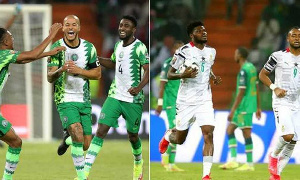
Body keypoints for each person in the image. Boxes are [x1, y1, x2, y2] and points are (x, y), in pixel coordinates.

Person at [83, 15, 149, 180]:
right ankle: (83, 173)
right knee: (100, 131)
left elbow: (148, 70)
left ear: (133, 30)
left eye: (126, 26)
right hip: (114, 95)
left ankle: (138, 162)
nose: (122, 28)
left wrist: (139, 88)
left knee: (133, 136)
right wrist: (96, 59)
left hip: (133, 99)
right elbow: (114, 64)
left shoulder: (140, 47)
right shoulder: (118, 45)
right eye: (120, 25)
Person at [158, 20, 222, 180]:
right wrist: (183, 75)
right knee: (180, 139)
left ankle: (206, 175)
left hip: (204, 100)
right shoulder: (183, 51)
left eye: (205, 30)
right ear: (192, 35)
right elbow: (169, 74)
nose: (204, 33)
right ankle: (168, 136)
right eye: (200, 31)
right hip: (186, 101)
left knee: (208, 134)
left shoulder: (211, 52)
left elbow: (207, 67)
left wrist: (213, 77)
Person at [0, 23, 63, 180]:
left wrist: (47, 53)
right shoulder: (3, 55)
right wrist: (51, 36)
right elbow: (31, 55)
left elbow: (24, 59)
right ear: (5, 42)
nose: (13, 38)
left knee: (15, 142)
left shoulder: (5, 56)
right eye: (11, 37)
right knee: (15, 142)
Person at [47, 15, 101, 180]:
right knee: (77, 131)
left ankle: (68, 139)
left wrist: (80, 71)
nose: (70, 28)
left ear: (79, 28)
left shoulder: (89, 48)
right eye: (67, 25)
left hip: (83, 100)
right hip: (64, 98)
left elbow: (97, 74)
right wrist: (61, 70)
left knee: (85, 144)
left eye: (74, 25)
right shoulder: (57, 47)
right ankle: (81, 177)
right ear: (63, 28)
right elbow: (50, 77)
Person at [259, 27, 300, 180]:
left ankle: (276, 175)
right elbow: (262, 74)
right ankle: (273, 155)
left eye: (299, 36)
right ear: (288, 39)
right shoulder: (277, 56)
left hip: (297, 103)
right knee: (288, 136)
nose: (297, 38)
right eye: (293, 35)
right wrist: (274, 87)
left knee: (294, 140)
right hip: (281, 102)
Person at [219, 47, 261, 171]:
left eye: (236, 53)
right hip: (249, 105)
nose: (234, 55)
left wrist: (232, 110)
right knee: (230, 129)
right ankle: (233, 160)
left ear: (240, 56)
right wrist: (258, 106)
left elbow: (241, 92)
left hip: (244, 107)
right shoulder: (252, 68)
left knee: (246, 133)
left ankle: (249, 164)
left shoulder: (243, 71)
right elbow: (256, 87)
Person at [155, 40, 184, 172]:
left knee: (179, 130)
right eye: (177, 49)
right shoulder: (168, 64)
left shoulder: (184, 64)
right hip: (170, 103)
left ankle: (171, 164)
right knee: (174, 129)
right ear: (173, 50)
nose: (179, 52)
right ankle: (166, 161)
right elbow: (162, 85)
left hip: (182, 103)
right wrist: (160, 104)